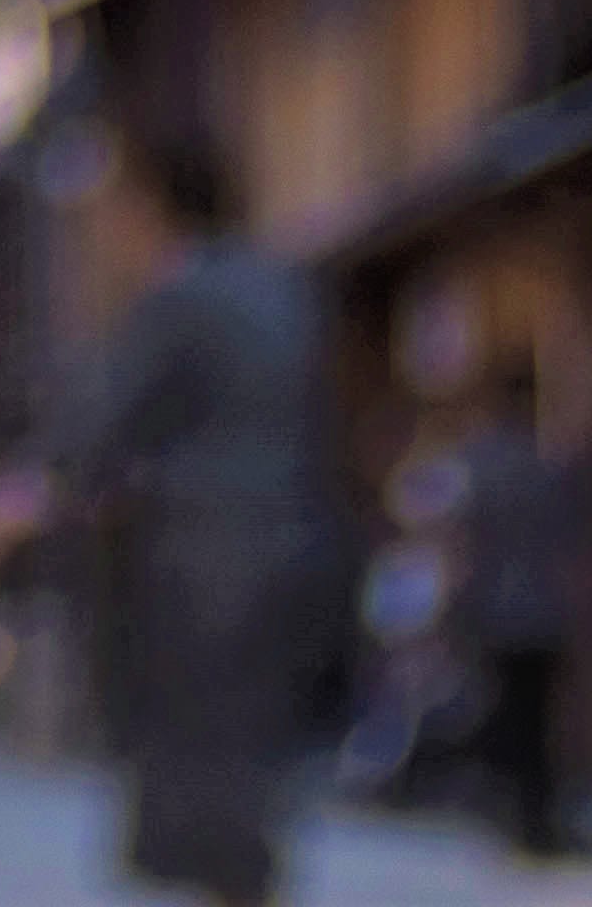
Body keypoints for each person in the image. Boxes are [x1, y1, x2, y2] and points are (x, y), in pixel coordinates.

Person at [59, 129, 354, 907]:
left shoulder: (178, 297)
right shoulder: (285, 287)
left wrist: (53, 491)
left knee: (202, 762)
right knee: (253, 753)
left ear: (150, 205)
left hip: (198, 557)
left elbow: (104, 427)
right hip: (297, 539)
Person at [441, 370, 592, 863]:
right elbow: (577, 544)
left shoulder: (481, 466)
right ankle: (537, 817)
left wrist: (456, 602)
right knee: (536, 719)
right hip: (545, 612)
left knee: (506, 713)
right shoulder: (549, 466)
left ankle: (511, 812)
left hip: (497, 611)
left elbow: (462, 540)